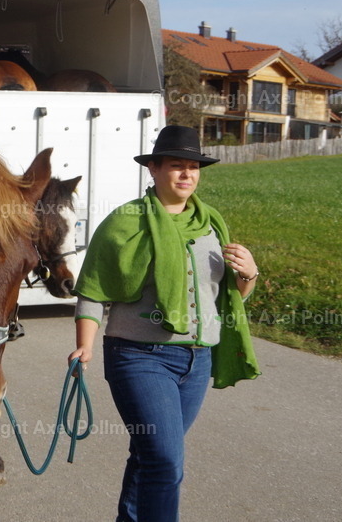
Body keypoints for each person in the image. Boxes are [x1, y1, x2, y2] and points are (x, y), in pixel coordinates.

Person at [68, 125, 260, 522]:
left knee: (150, 456)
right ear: (153, 169)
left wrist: (249, 276)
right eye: (177, 165)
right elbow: (92, 289)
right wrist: (85, 345)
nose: (187, 174)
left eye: (194, 166)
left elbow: (223, 297)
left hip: (197, 362)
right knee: (166, 462)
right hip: (139, 357)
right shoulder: (125, 222)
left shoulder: (211, 223)